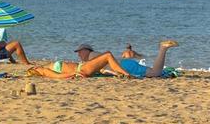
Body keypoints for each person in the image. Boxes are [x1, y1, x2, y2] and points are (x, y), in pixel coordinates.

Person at [27, 41, 178, 79]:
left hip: (83, 69)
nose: (78, 54)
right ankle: (126, 74)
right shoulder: (41, 70)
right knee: (107, 55)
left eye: (80, 52)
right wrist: (73, 75)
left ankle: (125, 74)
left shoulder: (91, 57)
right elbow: (57, 76)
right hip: (81, 71)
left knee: (155, 72)